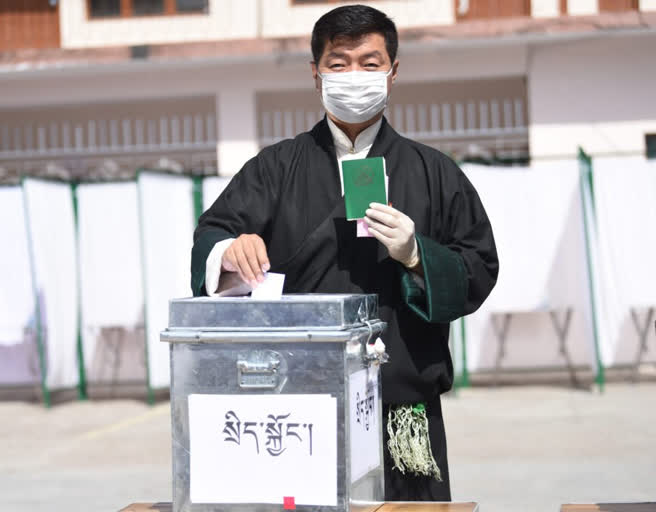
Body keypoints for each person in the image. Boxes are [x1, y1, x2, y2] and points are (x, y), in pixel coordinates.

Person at [190, 4, 498, 502]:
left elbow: (479, 267)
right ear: (316, 74)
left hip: (402, 414)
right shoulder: (274, 169)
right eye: (339, 63)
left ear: (393, 73)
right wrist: (229, 253)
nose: (354, 76)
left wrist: (419, 255)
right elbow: (213, 235)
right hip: (297, 412)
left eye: (370, 63)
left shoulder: (434, 173)